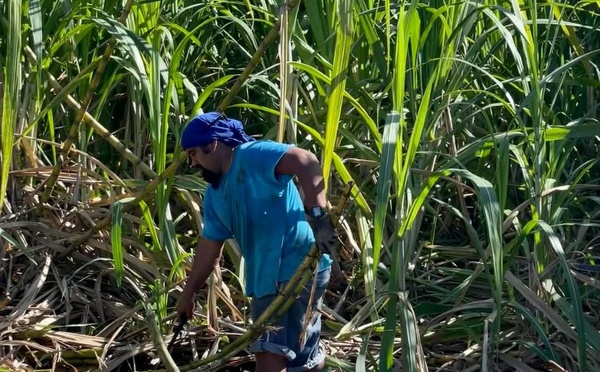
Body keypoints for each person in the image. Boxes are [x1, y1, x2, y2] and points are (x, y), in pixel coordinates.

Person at [176, 111, 338, 372]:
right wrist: (188, 294)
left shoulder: (252, 155)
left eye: (194, 153)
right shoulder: (215, 194)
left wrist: (319, 219)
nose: (193, 163)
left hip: (293, 270)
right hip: (276, 278)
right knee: (302, 360)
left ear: (213, 144)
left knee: (269, 358)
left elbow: (305, 161)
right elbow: (209, 248)